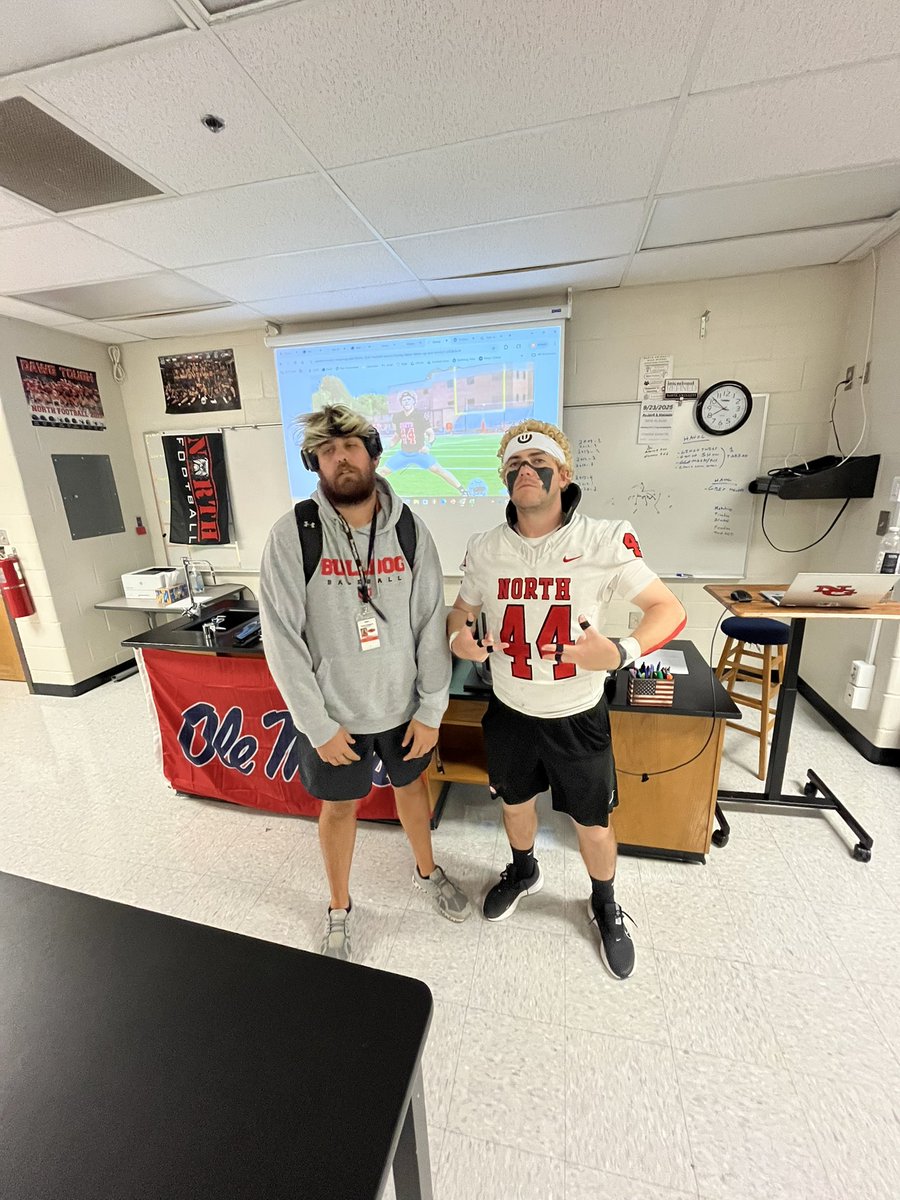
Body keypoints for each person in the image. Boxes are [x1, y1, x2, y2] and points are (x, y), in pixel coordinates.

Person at [447, 419, 685, 979]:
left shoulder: (602, 539)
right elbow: (460, 614)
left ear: (564, 473)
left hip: (576, 712)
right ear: (504, 478)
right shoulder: (486, 548)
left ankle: (603, 901)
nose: (525, 470)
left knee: (593, 823)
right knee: (513, 802)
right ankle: (524, 870)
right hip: (509, 706)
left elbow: (669, 610)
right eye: (514, 465)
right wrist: (461, 637)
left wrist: (620, 652)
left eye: (538, 462)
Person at [259, 404, 471, 960]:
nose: (341, 459)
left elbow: (430, 619)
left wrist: (432, 709)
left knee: (412, 788)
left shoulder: (407, 527)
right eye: (328, 451)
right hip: (334, 716)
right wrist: (316, 725)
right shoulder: (293, 534)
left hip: (403, 707)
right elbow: (280, 638)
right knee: (339, 809)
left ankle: (427, 871)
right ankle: (338, 907)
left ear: (373, 454)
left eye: (350, 446)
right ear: (316, 464)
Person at [381, 390, 466, 493]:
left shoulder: (419, 415)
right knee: (383, 472)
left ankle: (462, 490)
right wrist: (386, 447)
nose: (406, 402)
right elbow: (397, 436)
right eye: (404, 400)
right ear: (401, 402)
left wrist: (428, 446)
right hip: (404, 453)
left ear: (413, 401)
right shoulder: (397, 417)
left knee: (438, 469)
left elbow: (431, 434)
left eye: (409, 399)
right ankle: (372, 495)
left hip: (419, 452)